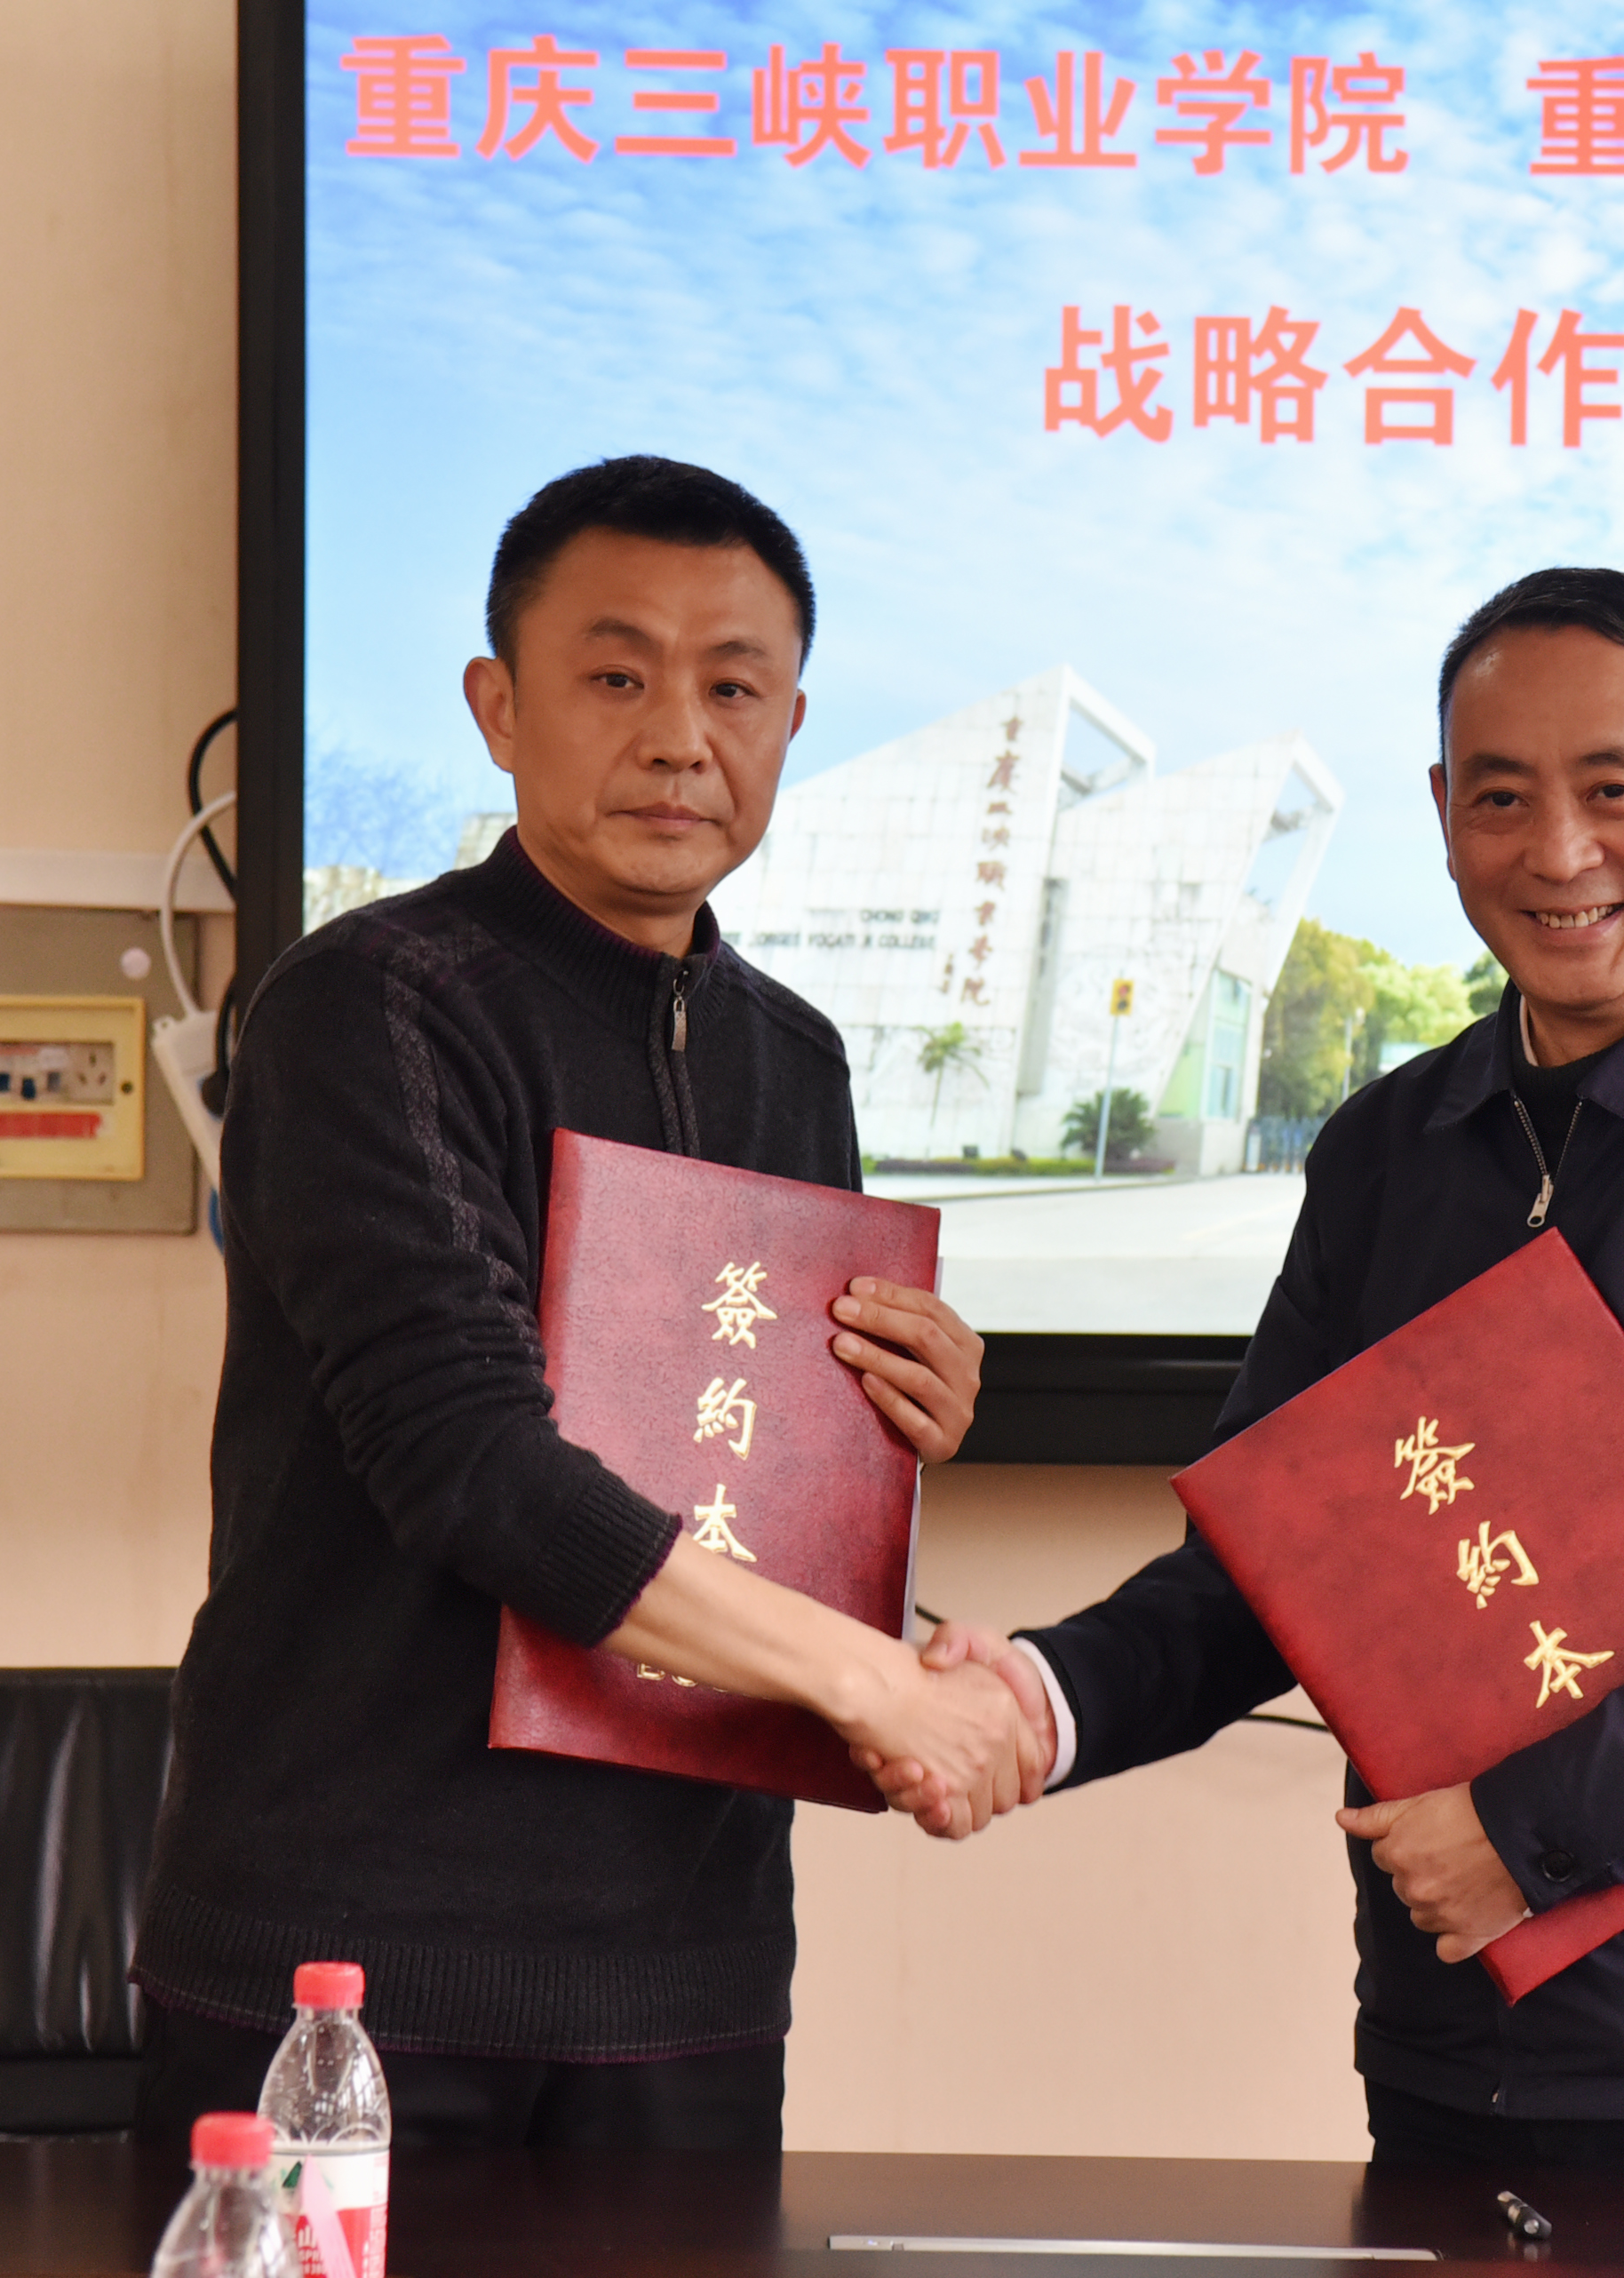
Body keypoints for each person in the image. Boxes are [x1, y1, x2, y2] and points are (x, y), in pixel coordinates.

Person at [898, 568, 1624, 2175]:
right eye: (1502, 798)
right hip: (1457, 2042)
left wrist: (1528, 1830)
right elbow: (1278, 1565)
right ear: (1442, 816)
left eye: (1616, 792)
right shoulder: (1389, 1152)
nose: (1558, 853)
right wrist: (1040, 1696)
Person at [135, 457, 1031, 2152]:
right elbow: (467, 1461)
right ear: (499, 707)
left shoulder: (796, 1059)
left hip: (685, 1976)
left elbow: (745, 1481)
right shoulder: (370, 1006)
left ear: (790, 724)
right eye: (617, 676)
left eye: (734, 690)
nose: (680, 738)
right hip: (353, 1975)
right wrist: (880, 1685)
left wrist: (892, 1421)